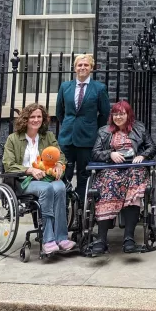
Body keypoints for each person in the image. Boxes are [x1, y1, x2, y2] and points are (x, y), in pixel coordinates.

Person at [3, 103, 76, 254]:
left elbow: (60, 155)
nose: (36, 120)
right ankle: (48, 239)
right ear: (25, 119)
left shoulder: (47, 136)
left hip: (46, 178)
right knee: (48, 189)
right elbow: (8, 165)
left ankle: (62, 237)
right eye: (32, 117)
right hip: (24, 180)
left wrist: (59, 165)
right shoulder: (13, 139)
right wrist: (29, 170)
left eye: (39, 117)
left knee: (61, 187)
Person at [89, 101, 156, 254]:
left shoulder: (139, 128)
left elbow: (152, 146)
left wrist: (142, 155)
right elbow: (95, 153)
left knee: (134, 181)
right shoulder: (104, 131)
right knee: (109, 183)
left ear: (128, 114)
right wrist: (110, 154)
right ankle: (101, 239)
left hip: (134, 168)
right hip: (111, 168)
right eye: (115, 113)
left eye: (122, 113)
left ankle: (129, 238)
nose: (118, 117)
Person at [56, 54, 110, 205]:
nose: (82, 68)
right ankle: (64, 207)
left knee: (84, 174)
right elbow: (59, 112)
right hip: (67, 138)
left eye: (86, 65)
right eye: (79, 65)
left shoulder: (99, 88)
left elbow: (105, 113)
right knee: (62, 173)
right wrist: (68, 125)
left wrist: (93, 129)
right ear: (75, 68)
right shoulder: (65, 87)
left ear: (91, 68)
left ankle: (80, 208)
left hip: (87, 139)